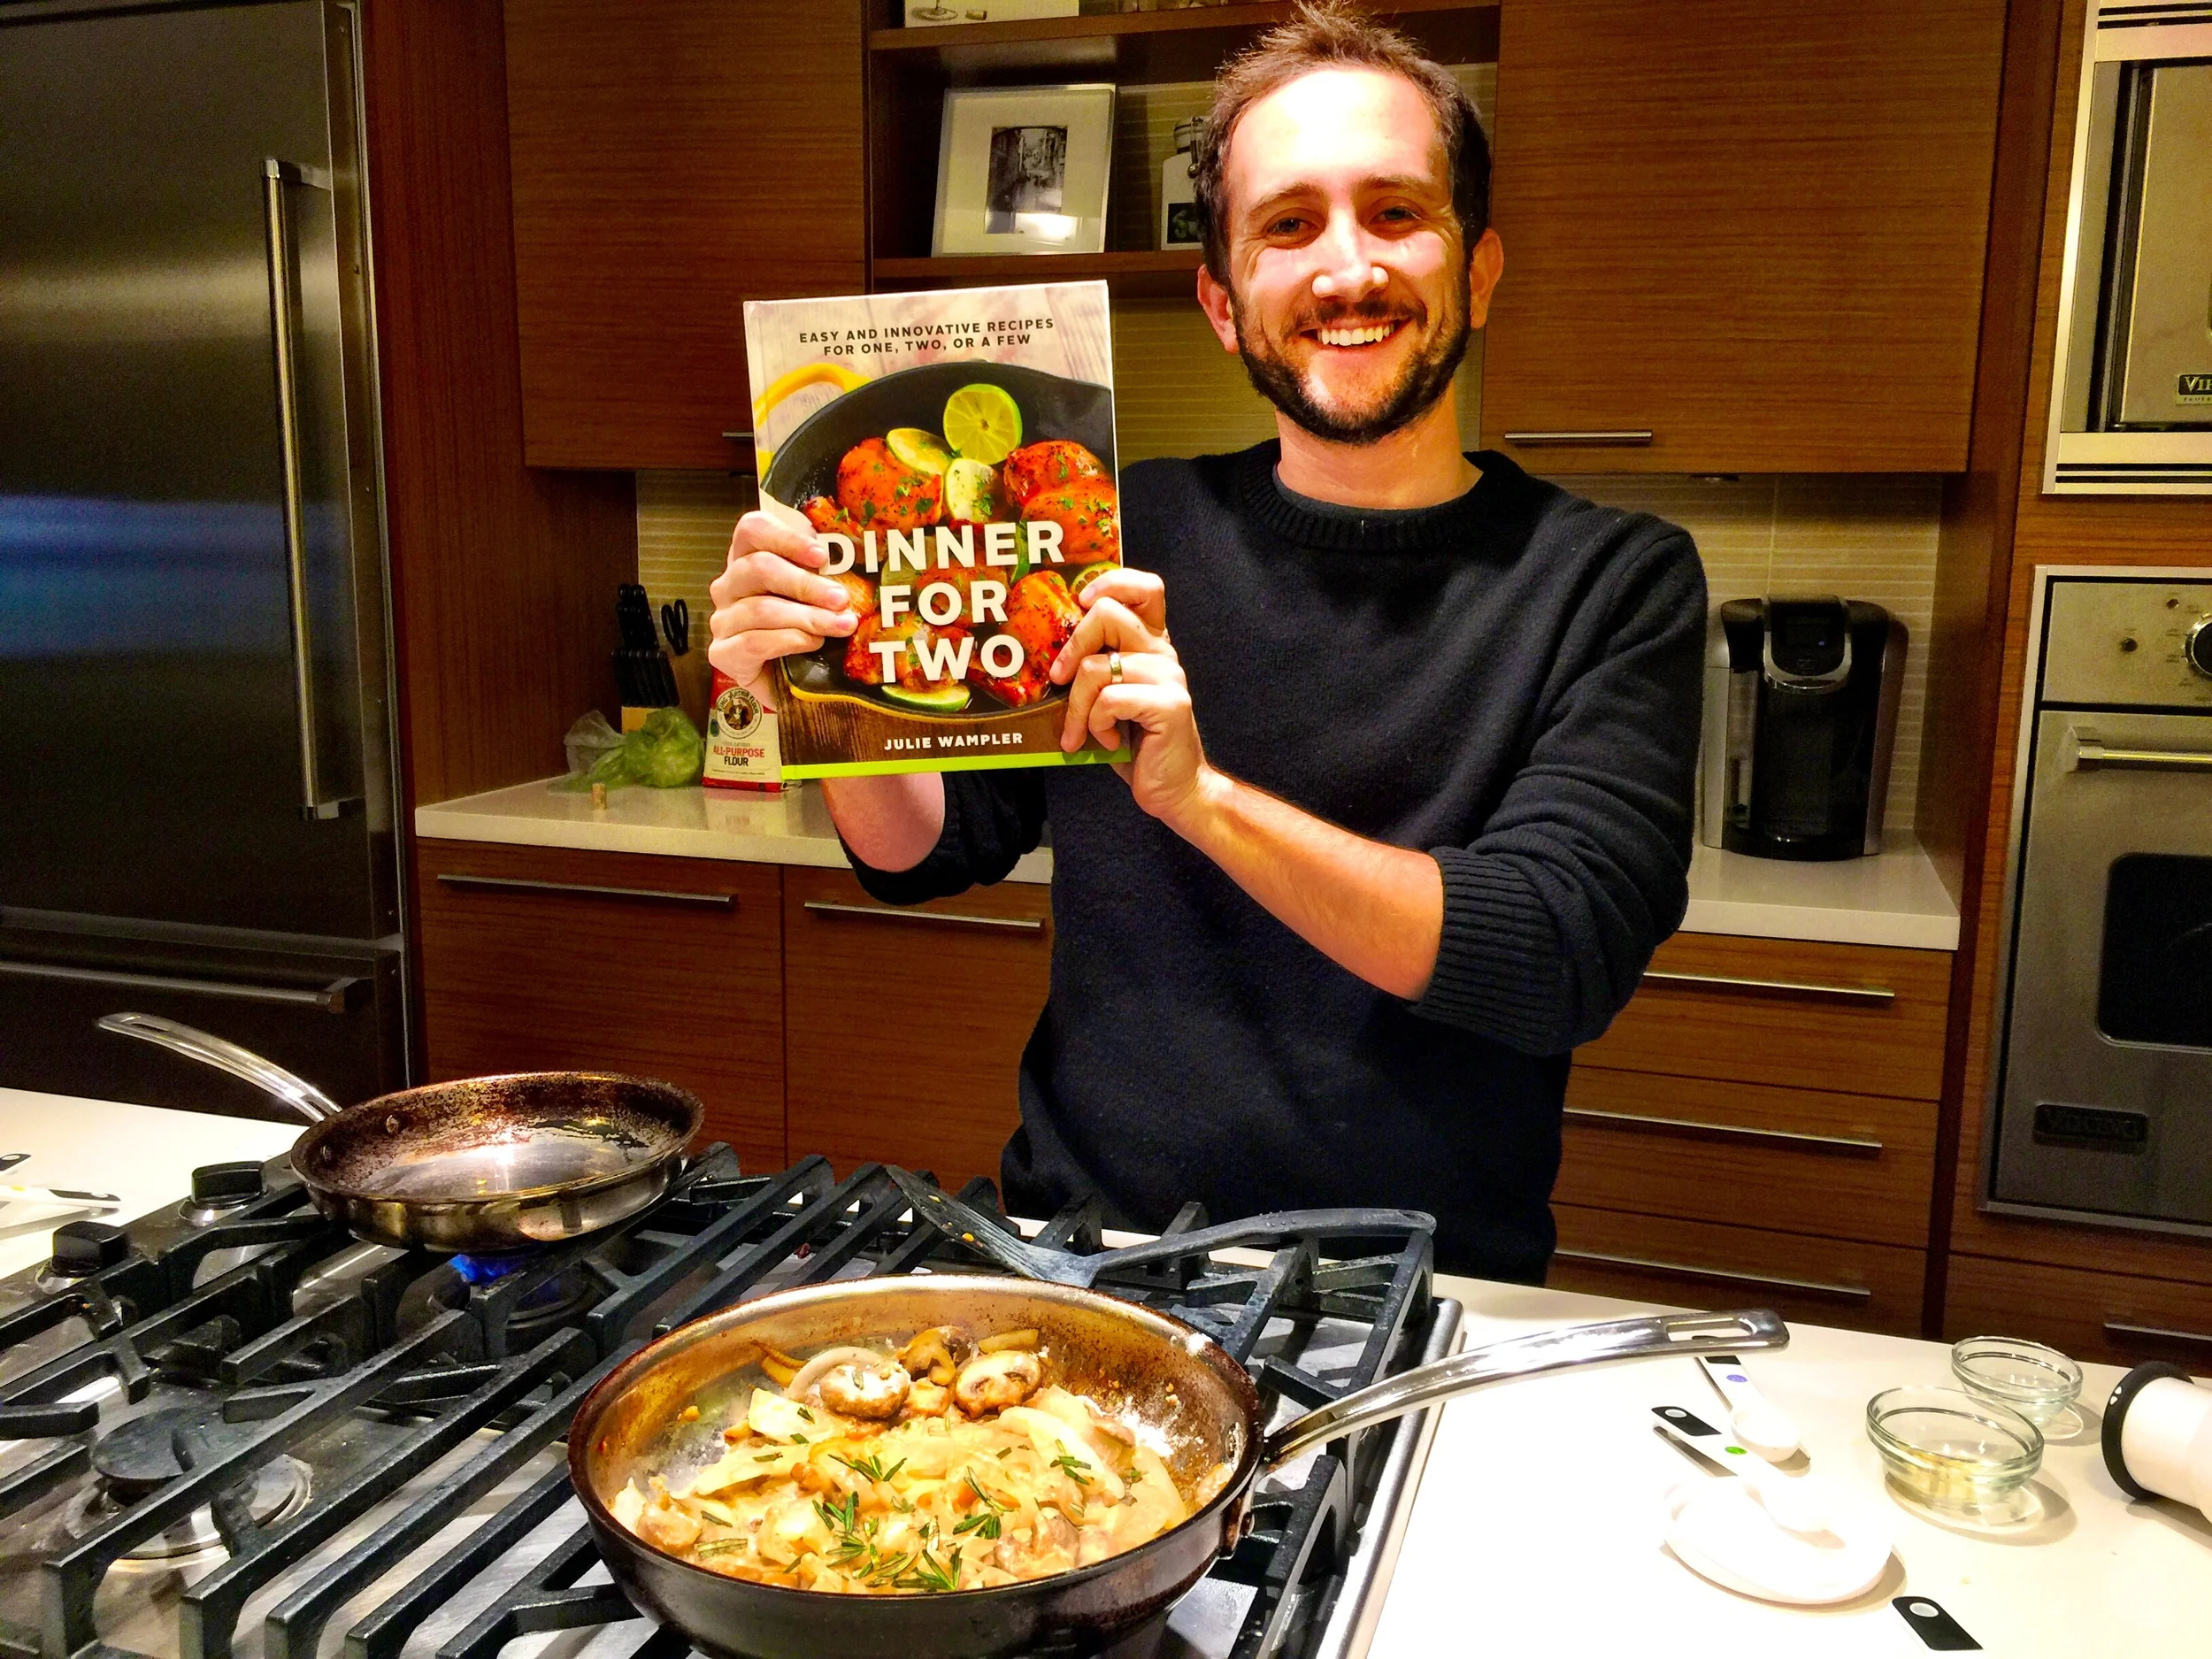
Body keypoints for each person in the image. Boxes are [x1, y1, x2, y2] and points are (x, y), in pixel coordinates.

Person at [707, 1, 1705, 1281]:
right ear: (1226, 303)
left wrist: (1203, 800)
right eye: (1287, 226)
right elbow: (926, 846)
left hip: (1411, 1291)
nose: (1347, 269)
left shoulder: (1610, 581)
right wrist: (828, 688)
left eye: (1396, 211)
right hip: (1081, 1259)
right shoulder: (1121, 531)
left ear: (1482, 267)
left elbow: (1550, 951)